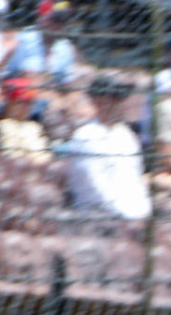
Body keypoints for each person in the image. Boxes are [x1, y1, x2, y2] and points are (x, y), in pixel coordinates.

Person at [62, 77, 151, 219]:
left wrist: (144, 211)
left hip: (133, 213)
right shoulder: (86, 136)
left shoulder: (126, 135)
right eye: (116, 98)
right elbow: (94, 189)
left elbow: (136, 180)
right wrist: (129, 216)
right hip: (97, 218)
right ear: (100, 101)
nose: (123, 103)